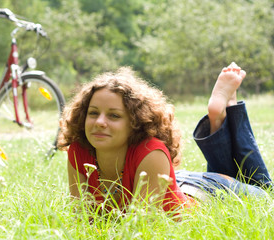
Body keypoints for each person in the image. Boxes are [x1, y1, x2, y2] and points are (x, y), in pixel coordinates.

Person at [57, 62, 272, 212]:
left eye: (114, 115)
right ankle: (222, 116)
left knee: (264, 191)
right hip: (176, 180)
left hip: (208, 190)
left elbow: (139, 226)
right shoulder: (79, 151)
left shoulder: (150, 151)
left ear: (135, 123)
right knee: (225, 172)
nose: (100, 122)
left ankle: (227, 112)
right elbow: (81, 215)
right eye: (93, 113)